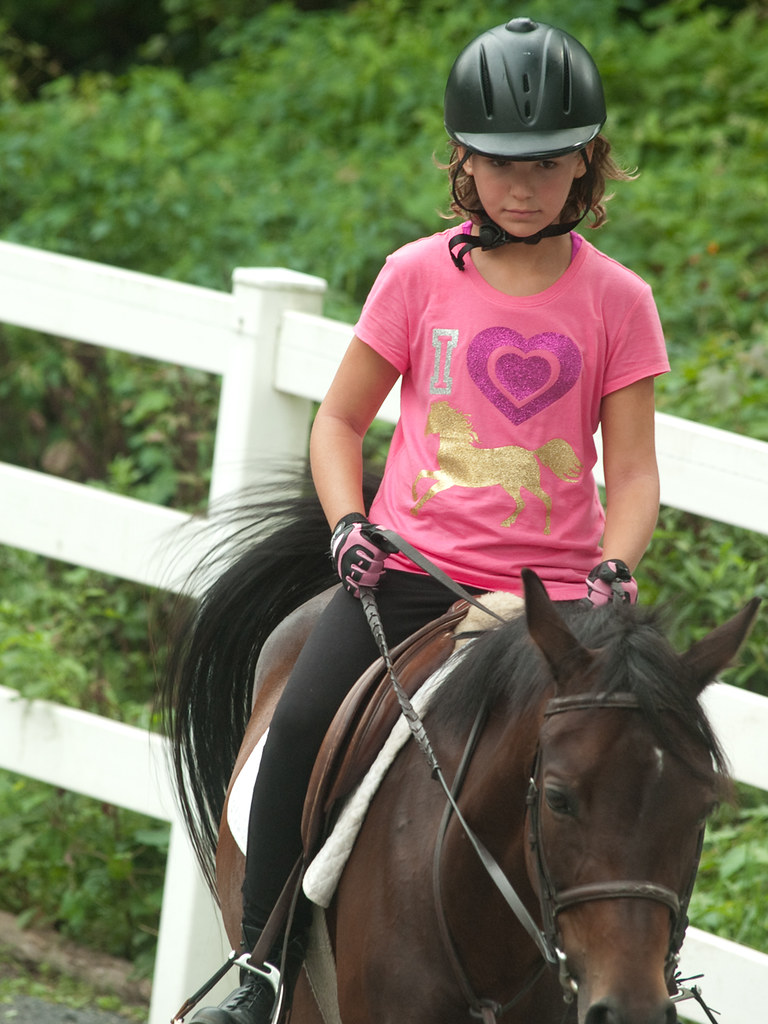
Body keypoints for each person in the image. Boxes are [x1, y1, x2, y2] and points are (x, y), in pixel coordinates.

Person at [191, 16, 668, 1024]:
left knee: (643, 765)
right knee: (299, 735)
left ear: (587, 160)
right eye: (500, 162)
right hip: (412, 578)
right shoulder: (416, 278)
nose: (523, 183)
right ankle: (266, 968)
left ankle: (637, 974)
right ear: (464, 161)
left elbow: (632, 476)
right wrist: (347, 521)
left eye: (546, 161)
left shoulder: (620, 300)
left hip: (555, 610)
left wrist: (616, 567)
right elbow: (339, 419)